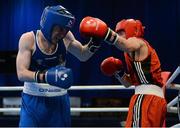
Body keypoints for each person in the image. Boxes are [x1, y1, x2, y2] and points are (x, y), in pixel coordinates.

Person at [16, 5, 99, 127]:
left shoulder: (66, 37)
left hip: (59, 100)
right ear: (48, 24)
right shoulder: (29, 39)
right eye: (60, 29)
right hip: (33, 100)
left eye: (65, 29)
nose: (62, 33)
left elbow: (83, 55)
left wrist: (96, 42)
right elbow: (21, 73)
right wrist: (46, 77)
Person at [80, 16, 167, 127]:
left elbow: (125, 45)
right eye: (118, 33)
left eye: (121, 32)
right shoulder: (131, 53)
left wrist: (105, 32)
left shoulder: (138, 42)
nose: (119, 36)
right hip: (156, 101)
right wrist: (119, 72)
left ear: (132, 30)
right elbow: (128, 83)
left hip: (146, 99)